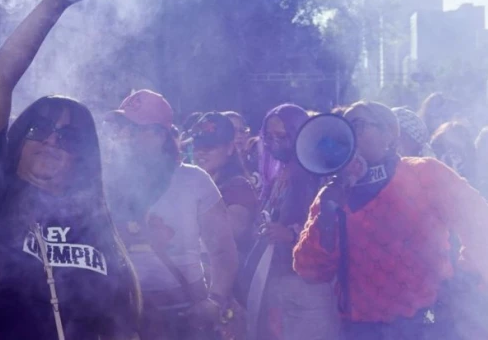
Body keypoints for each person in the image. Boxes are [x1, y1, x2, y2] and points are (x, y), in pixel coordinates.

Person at [0, 0, 141, 339]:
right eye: (41, 128)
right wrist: (56, 1)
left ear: (82, 160)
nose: (51, 140)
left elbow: (121, 325)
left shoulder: (94, 226)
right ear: (18, 140)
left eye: (68, 138)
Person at [294, 101, 488, 340]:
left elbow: (479, 223)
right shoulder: (333, 195)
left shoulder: (424, 173)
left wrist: (470, 281)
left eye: (358, 125)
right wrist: (326, 216)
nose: (348, 134)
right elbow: (310, 272)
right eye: (345, 125)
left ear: (389, 134)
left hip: (426, 322)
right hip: (361, 329)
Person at [103, 92, 240, 340]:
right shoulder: (106, 181)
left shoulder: (194, 180)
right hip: (124, 311)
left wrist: (215, 300)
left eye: (135, 129)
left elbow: (222, 249)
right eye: (123, 128)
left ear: (159, 135)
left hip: (183, 313)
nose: (125, 136)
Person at [248, 103, 339, 340]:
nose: (274, 142)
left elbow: (333, 229)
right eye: (269, 136)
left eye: (283, 135)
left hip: (309, 283)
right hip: (278, 278)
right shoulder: (281, 171)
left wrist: (291, 235)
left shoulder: (317, 171)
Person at [189, 112, 257, 257]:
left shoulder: (238, 187)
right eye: (197, 146)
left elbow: (229, 232)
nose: (200, 153)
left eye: (208, 147)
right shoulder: (197, 182)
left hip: (226, 272)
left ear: (230, 148)